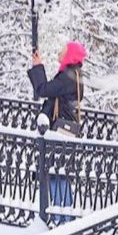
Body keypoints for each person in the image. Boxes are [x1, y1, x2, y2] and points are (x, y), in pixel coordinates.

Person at [28, 41, 87, 225]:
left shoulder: (68, 77)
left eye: (62, 51)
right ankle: (63, 216)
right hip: (67, 131)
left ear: (70, 55)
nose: (59, 53)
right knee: (59, 173)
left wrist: (38, 67)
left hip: (59, 131)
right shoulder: (75, 75)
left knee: (55, 173)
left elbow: (44, 89)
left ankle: (60, 218)